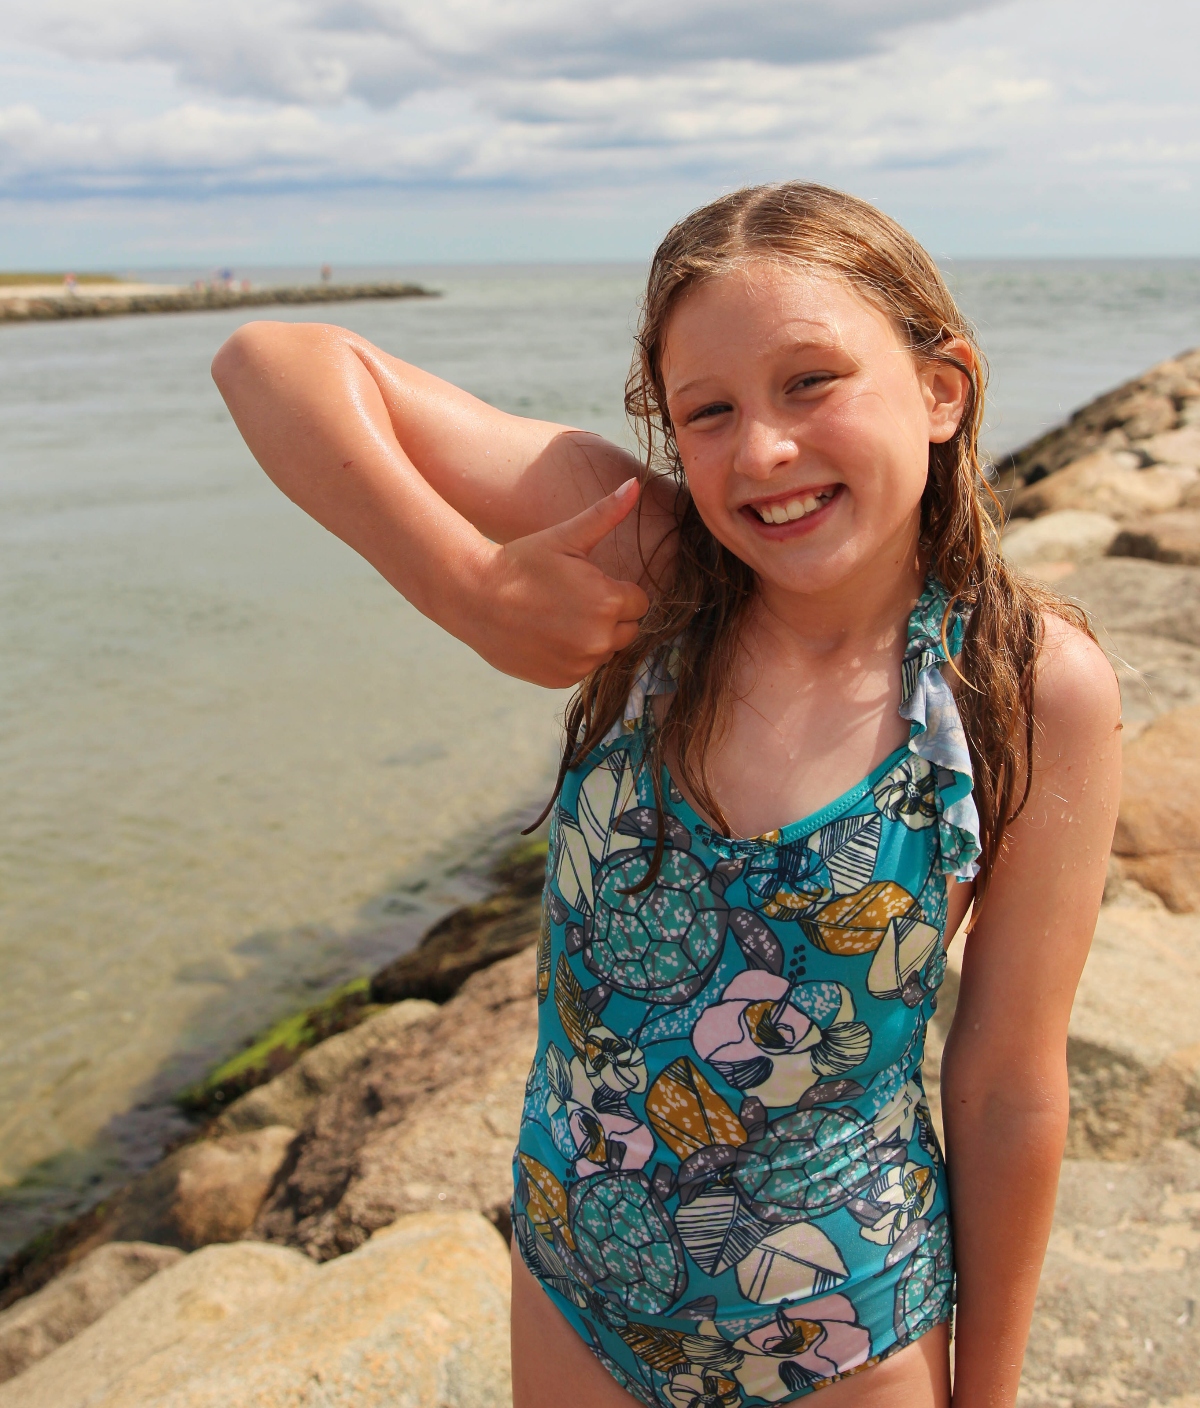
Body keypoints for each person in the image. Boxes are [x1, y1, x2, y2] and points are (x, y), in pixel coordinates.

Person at [211, 183, 1120, 1408]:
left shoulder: (1018, 683)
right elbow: (269, 358)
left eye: (813, 382)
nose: (764, 450)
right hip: (578, 1279)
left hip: (839, 1328)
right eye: (710, 411)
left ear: (941, 389)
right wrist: (466, 584)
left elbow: (1007, 1081)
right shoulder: (656, 568)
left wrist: (990, 1396)